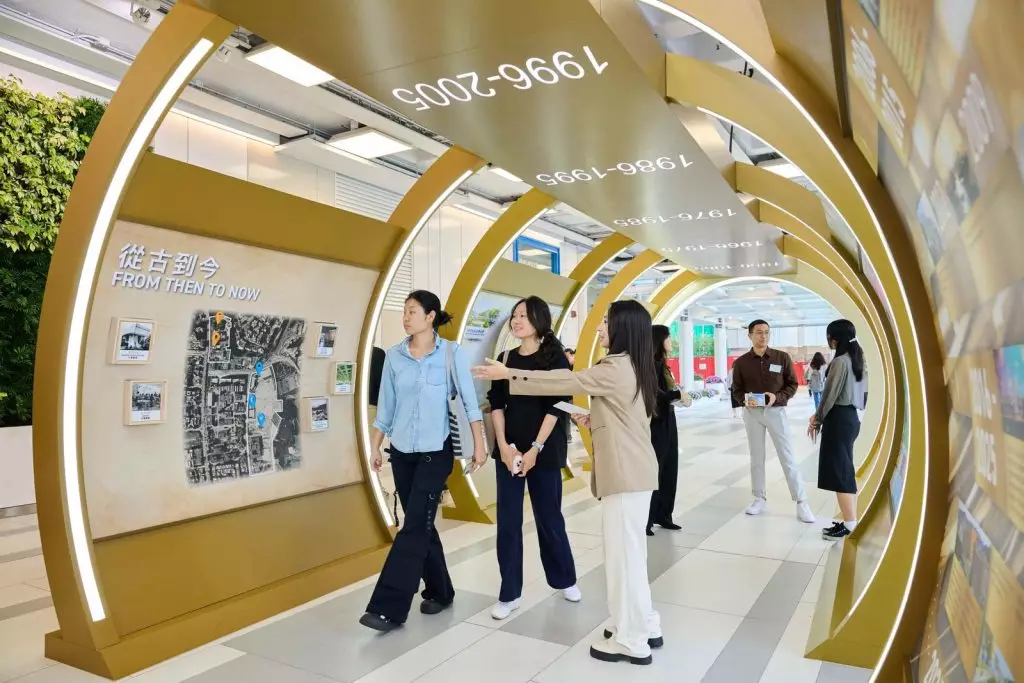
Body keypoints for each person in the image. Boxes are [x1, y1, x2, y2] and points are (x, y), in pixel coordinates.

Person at [474, 300, 662, 666]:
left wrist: (509, 374)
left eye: (606, 321)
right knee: (631, 556)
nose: (600, 328)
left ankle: (631, 639)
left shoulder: (615, 366)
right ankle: (643, 623)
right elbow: (628, 416)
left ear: (623, 327)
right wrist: (595, 418)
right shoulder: (635, 365)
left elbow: (565, 381)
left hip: (626, 476)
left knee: (624, 559)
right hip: (635, 472)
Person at [360, 291, 487, 632]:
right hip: (402, 453)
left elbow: (470, 404)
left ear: (431, 316)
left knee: (414, 525)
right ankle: (441, 591)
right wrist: (375, 447)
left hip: (436, 451)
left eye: (413, 311)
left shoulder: (451, 354)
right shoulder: (394, 357)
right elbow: (386, 409)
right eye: (404, 311)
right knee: (421, 522)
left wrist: (479, 445)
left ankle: (388, 607)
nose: (406, 317)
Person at [487, 296, 581, 620]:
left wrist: (535, 449)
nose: (516, 321)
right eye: (514, 315)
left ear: (539, 320)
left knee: (549, 518)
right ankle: (509, 593)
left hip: (544, 450)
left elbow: (558, 405)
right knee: (508, 523)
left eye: (523, 316)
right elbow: (496, 403)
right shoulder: (505, 359)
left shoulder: (555, 358)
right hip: (510, 452)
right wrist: (503, 446)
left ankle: (565, 579)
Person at [731, 319, 815, 523]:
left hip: (776, 411)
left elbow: (792, 384)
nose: (764, 336)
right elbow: (736, 390)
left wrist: (777, 397)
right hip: (752, 413)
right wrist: (745, 400)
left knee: (787, 455)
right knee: (756, 456)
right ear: (750, 335)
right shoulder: (741, 363)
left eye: (767, 332)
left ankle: (801, 501)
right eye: (759, 332)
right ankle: (759, 497)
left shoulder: (782, 357)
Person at [810, 320, 866, 540]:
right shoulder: (857, 360)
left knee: (840, 473)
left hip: (839, 420)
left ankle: (850, 523)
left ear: (834, 338)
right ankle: (848, 520)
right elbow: (863, 396)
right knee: (844, 470)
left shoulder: (840, 362)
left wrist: (817, 419)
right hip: (851, 418)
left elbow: (829, 395)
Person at [647, 324, 692, 536]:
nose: (671, 341)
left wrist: (678, 398)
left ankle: (663, 514)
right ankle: (647, 519)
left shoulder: (663, 366)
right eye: (668, 337)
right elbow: (654, 396)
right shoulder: (650, 366)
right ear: (659, 340)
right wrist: (677, 396)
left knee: (669, 469)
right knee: (655, 471)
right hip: (656, 424)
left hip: (668, 420)